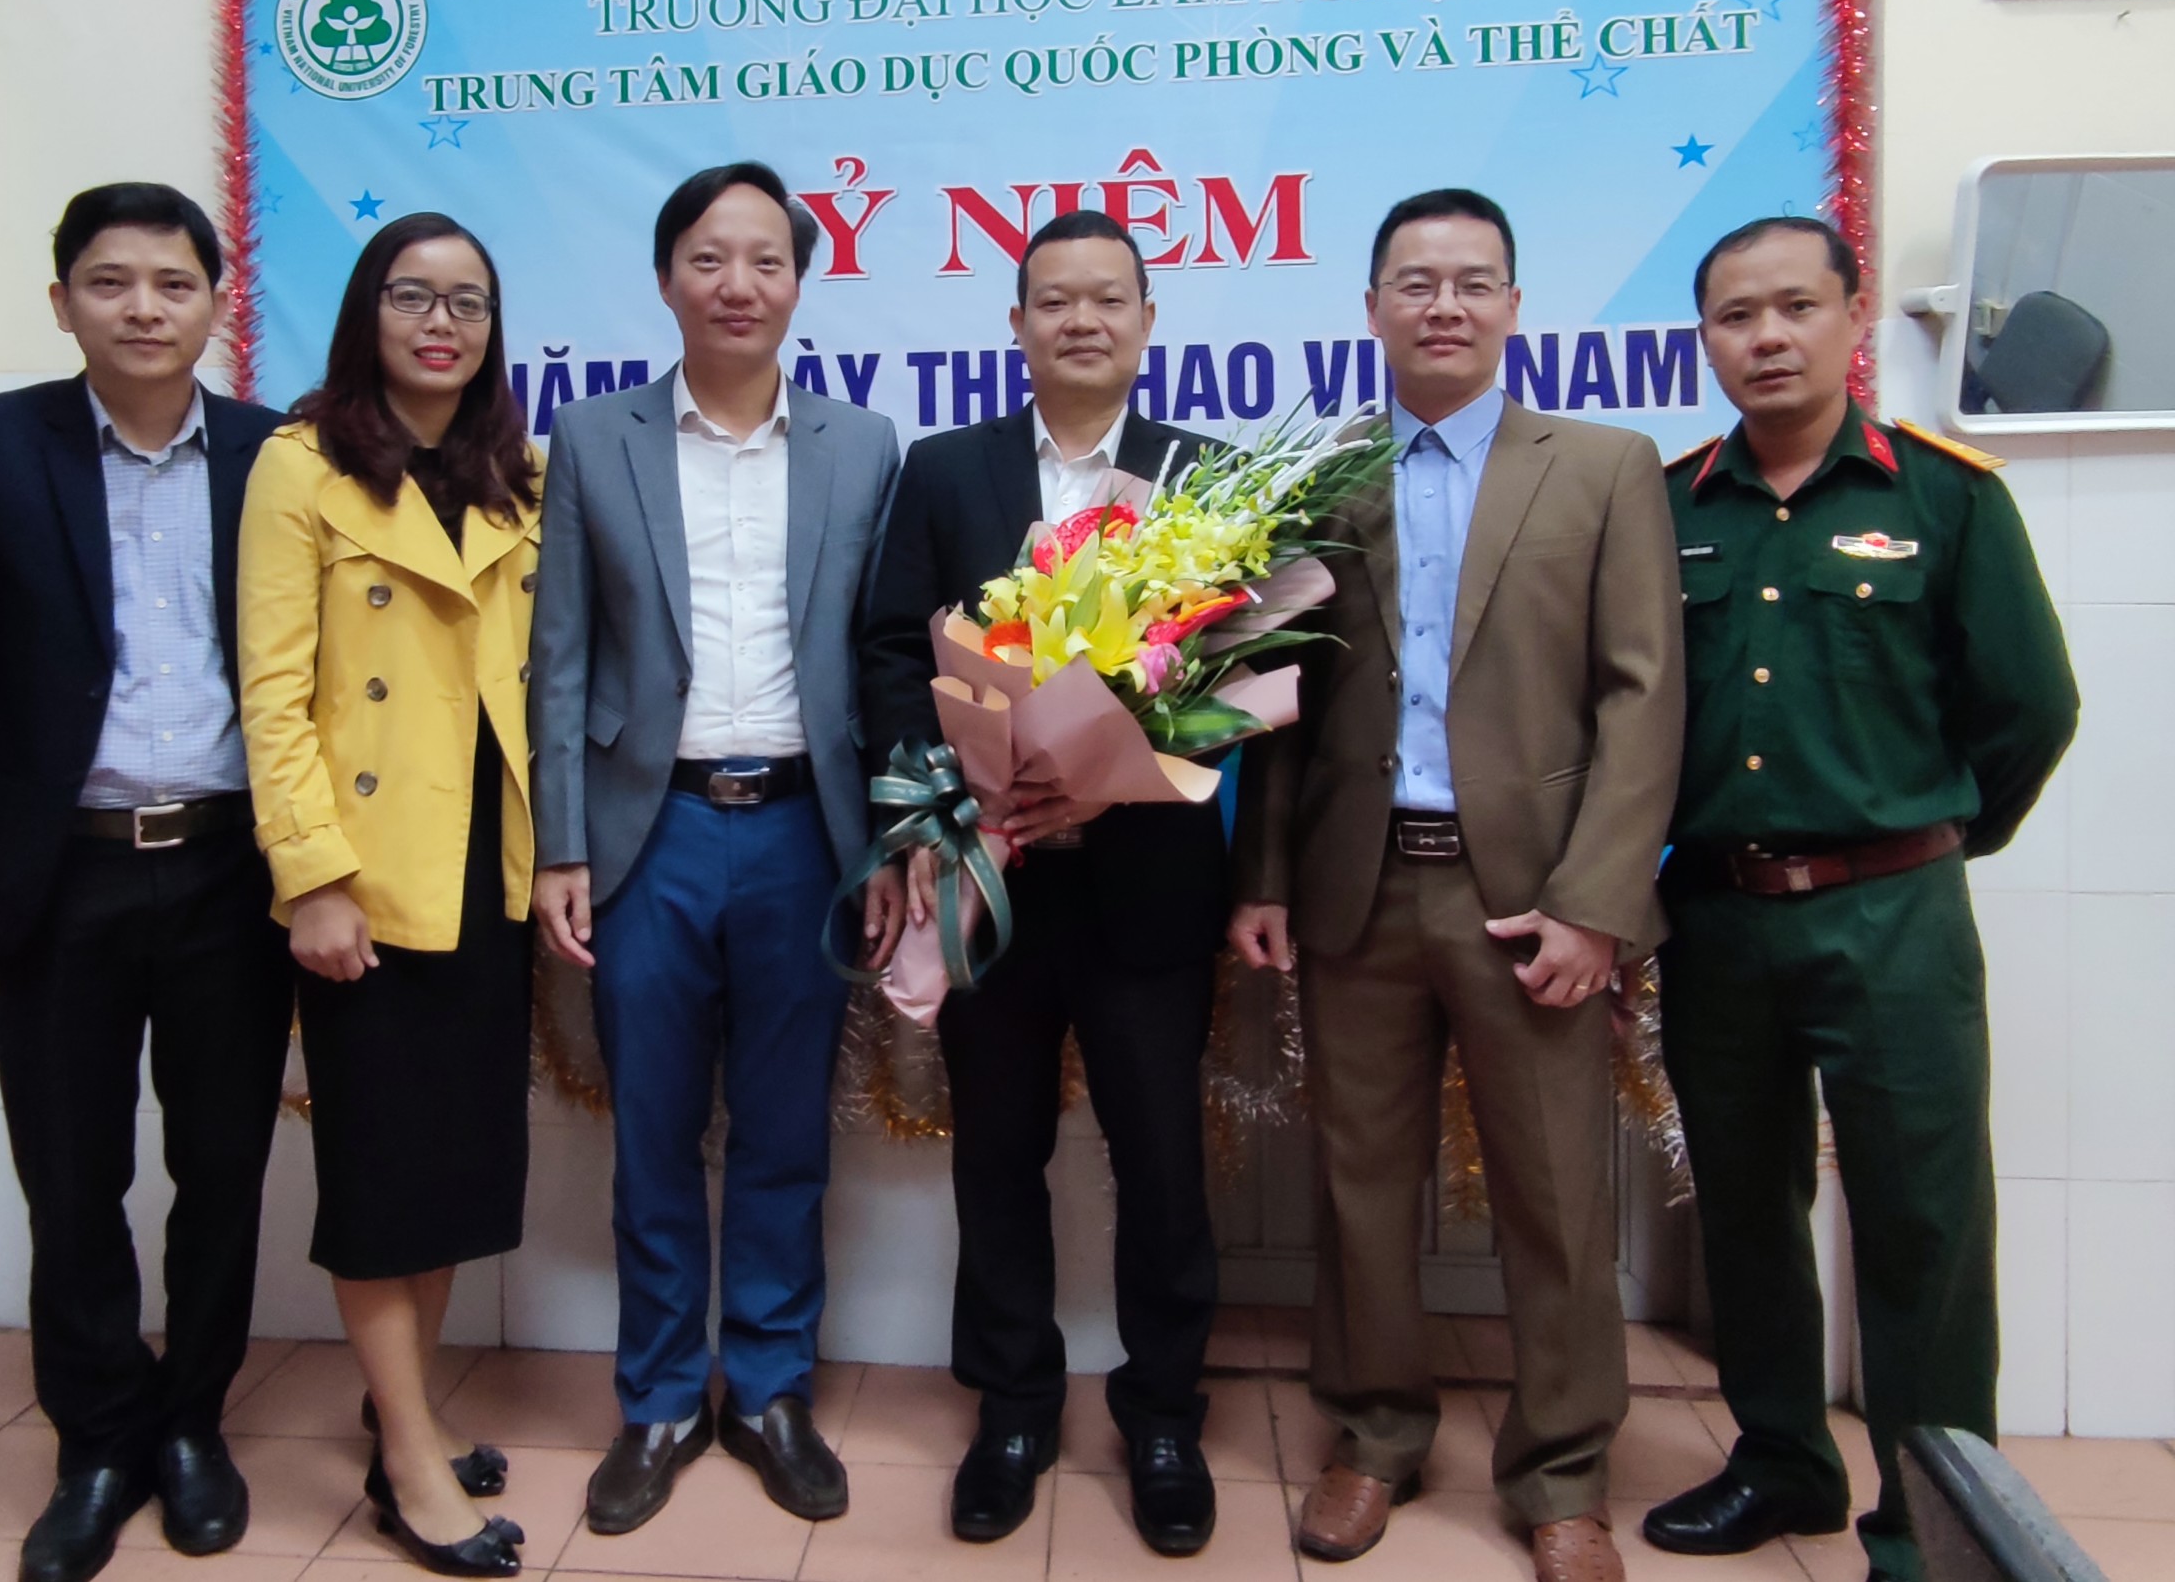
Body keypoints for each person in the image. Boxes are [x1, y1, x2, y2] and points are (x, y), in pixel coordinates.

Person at [1227, 188, 1684, 1582]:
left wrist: (1598, 902)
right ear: (1371, 308)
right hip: (1357, 889)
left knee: (1556, 1198)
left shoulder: (1603, 467)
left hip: (1531, 897)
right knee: (1360, 1184)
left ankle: (1562, 1473)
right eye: (1416, 282)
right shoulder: (1319, 479)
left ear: (1514, 305)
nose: (1444, 305)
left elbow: (1644, 696)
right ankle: (1374, 1436)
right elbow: (1280, 699)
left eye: (1473, 281)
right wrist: (1263, 876)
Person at [1641, 217, 2078, 1582]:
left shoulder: (1945, 498)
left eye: (1795, 308)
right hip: (1719, 913)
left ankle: (1928, 1522)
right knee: (1744, 1205)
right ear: (1705, 339)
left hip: (1894, 917)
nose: (1766, 338)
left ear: (1850, 316)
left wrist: (1930, 842)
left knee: (1921, 1223)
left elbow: (2030, 706)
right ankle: (1782, 1460)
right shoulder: (1667, 506)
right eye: (1735, 317)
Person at [0, 183, 295, 1582]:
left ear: (216, 303)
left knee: (223, 1166)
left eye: (174, 284)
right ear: (61, 302)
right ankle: (97, 1441)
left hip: (233, 868)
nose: (144, 309)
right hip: (57, 874)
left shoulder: (273, 457)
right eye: (110, 282)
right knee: (72, 1175)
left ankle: (192, 1425)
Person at [527, 161, 903, 1535]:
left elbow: (888, 656)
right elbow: (560, 655)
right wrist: (561, 842)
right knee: (655, 1131)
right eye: (708, 257)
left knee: (788, 1132)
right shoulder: (594, 437)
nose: (737, 284)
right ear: (666, 277)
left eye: (765, 260)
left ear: (799, 282)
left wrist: (894, 838)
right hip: (653, 833)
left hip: (809, 830)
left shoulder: (864, 445)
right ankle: (662, 1398)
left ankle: (773, 1389)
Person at [858, 208, 1227, 1558]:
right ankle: (1012, 1409)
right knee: (997, 1151)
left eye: (1107, 299)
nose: (1082, 320)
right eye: (1054, 300)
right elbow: (893, 650)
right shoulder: (945, 470)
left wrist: (1125, 769)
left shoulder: (1203, 475)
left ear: (1147, 321)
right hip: (989, 875)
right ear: (1014, 324)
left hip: (1148, 883)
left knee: (1162, 1159)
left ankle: (1164, 1415)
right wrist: (933, 799)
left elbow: (1238, 677)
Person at [237, 211, 541, 1576]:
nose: (441, 322)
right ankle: (413, 1465)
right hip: (363, 877)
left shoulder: (513, 474)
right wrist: (312, 876)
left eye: (468, 302)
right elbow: (272, 693)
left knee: (451, 1169)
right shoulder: (299, 465)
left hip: (486, 864)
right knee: (377, 1169)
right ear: (367, 310)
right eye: (413, 295)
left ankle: (399, 1411)